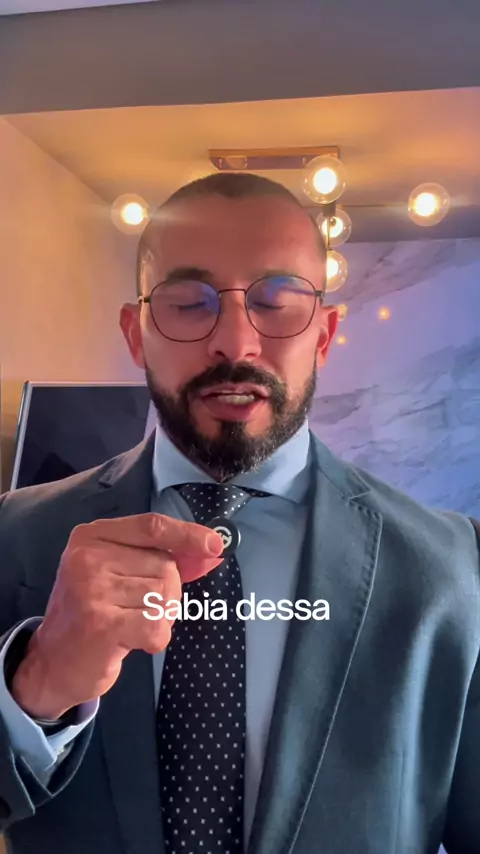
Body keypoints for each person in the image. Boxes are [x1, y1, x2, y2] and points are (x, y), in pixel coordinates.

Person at [0, 172, 479, 854]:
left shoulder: (455, 567)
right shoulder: (15, 538)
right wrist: (38, 685)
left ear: (324, 336)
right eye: (187, 304)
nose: (235, 342)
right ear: (136, 334)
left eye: (277, 302)